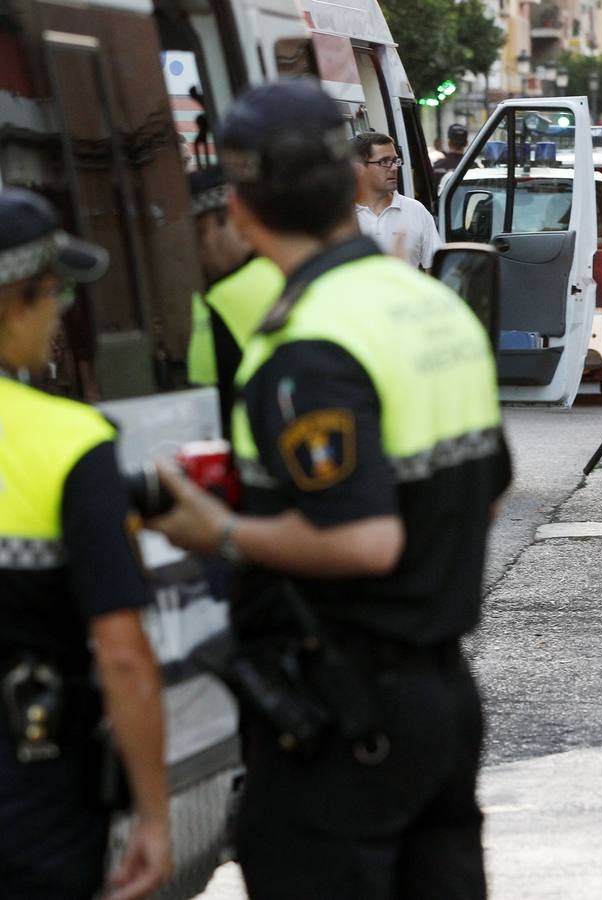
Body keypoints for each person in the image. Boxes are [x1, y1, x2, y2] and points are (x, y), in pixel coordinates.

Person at [148, 79, 510, 898]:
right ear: (351, 186)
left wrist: (220, 533)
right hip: (441, 702)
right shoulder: (429, 306)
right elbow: (487, 492)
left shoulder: (308, 345)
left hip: (342, 715)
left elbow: (363, 539)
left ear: (239, 207)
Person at [0, 188, 170, 899]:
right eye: (58, 293)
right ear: (15, 298)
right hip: (32, 791)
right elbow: (124, 655)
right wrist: (155, 817)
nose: (63, 311)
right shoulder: (70, 441)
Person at [185, 167, 285, 431]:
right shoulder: (287, 273)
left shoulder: (221, 298)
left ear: (234, 221)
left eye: (201, 233)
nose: (200, 251)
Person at [352, 132, 440, 270]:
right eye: (384, 161)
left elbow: (436, 270)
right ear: (358, 168)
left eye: (395, 161)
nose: (394, 168)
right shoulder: (339, 219)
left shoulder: (416, 211)